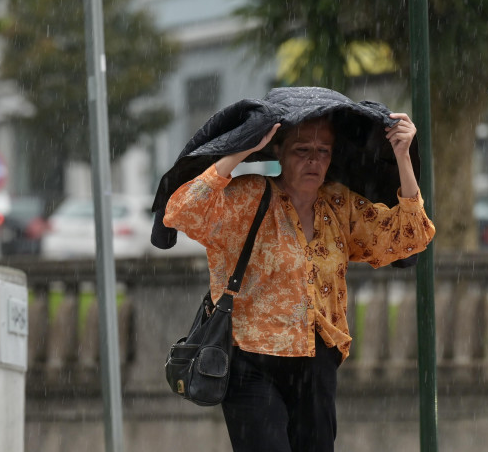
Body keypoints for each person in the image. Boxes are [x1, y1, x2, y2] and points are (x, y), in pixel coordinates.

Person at [163, 112, 435, 452]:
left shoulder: (339, 204)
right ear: (278, 152)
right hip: (249, 360)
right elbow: (183, 211)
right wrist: (240, 150)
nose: (313, 160)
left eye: (323, 151)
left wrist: (402, 156)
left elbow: (411, 235)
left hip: (316, 359)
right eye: (301, 149)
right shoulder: (249, 195)